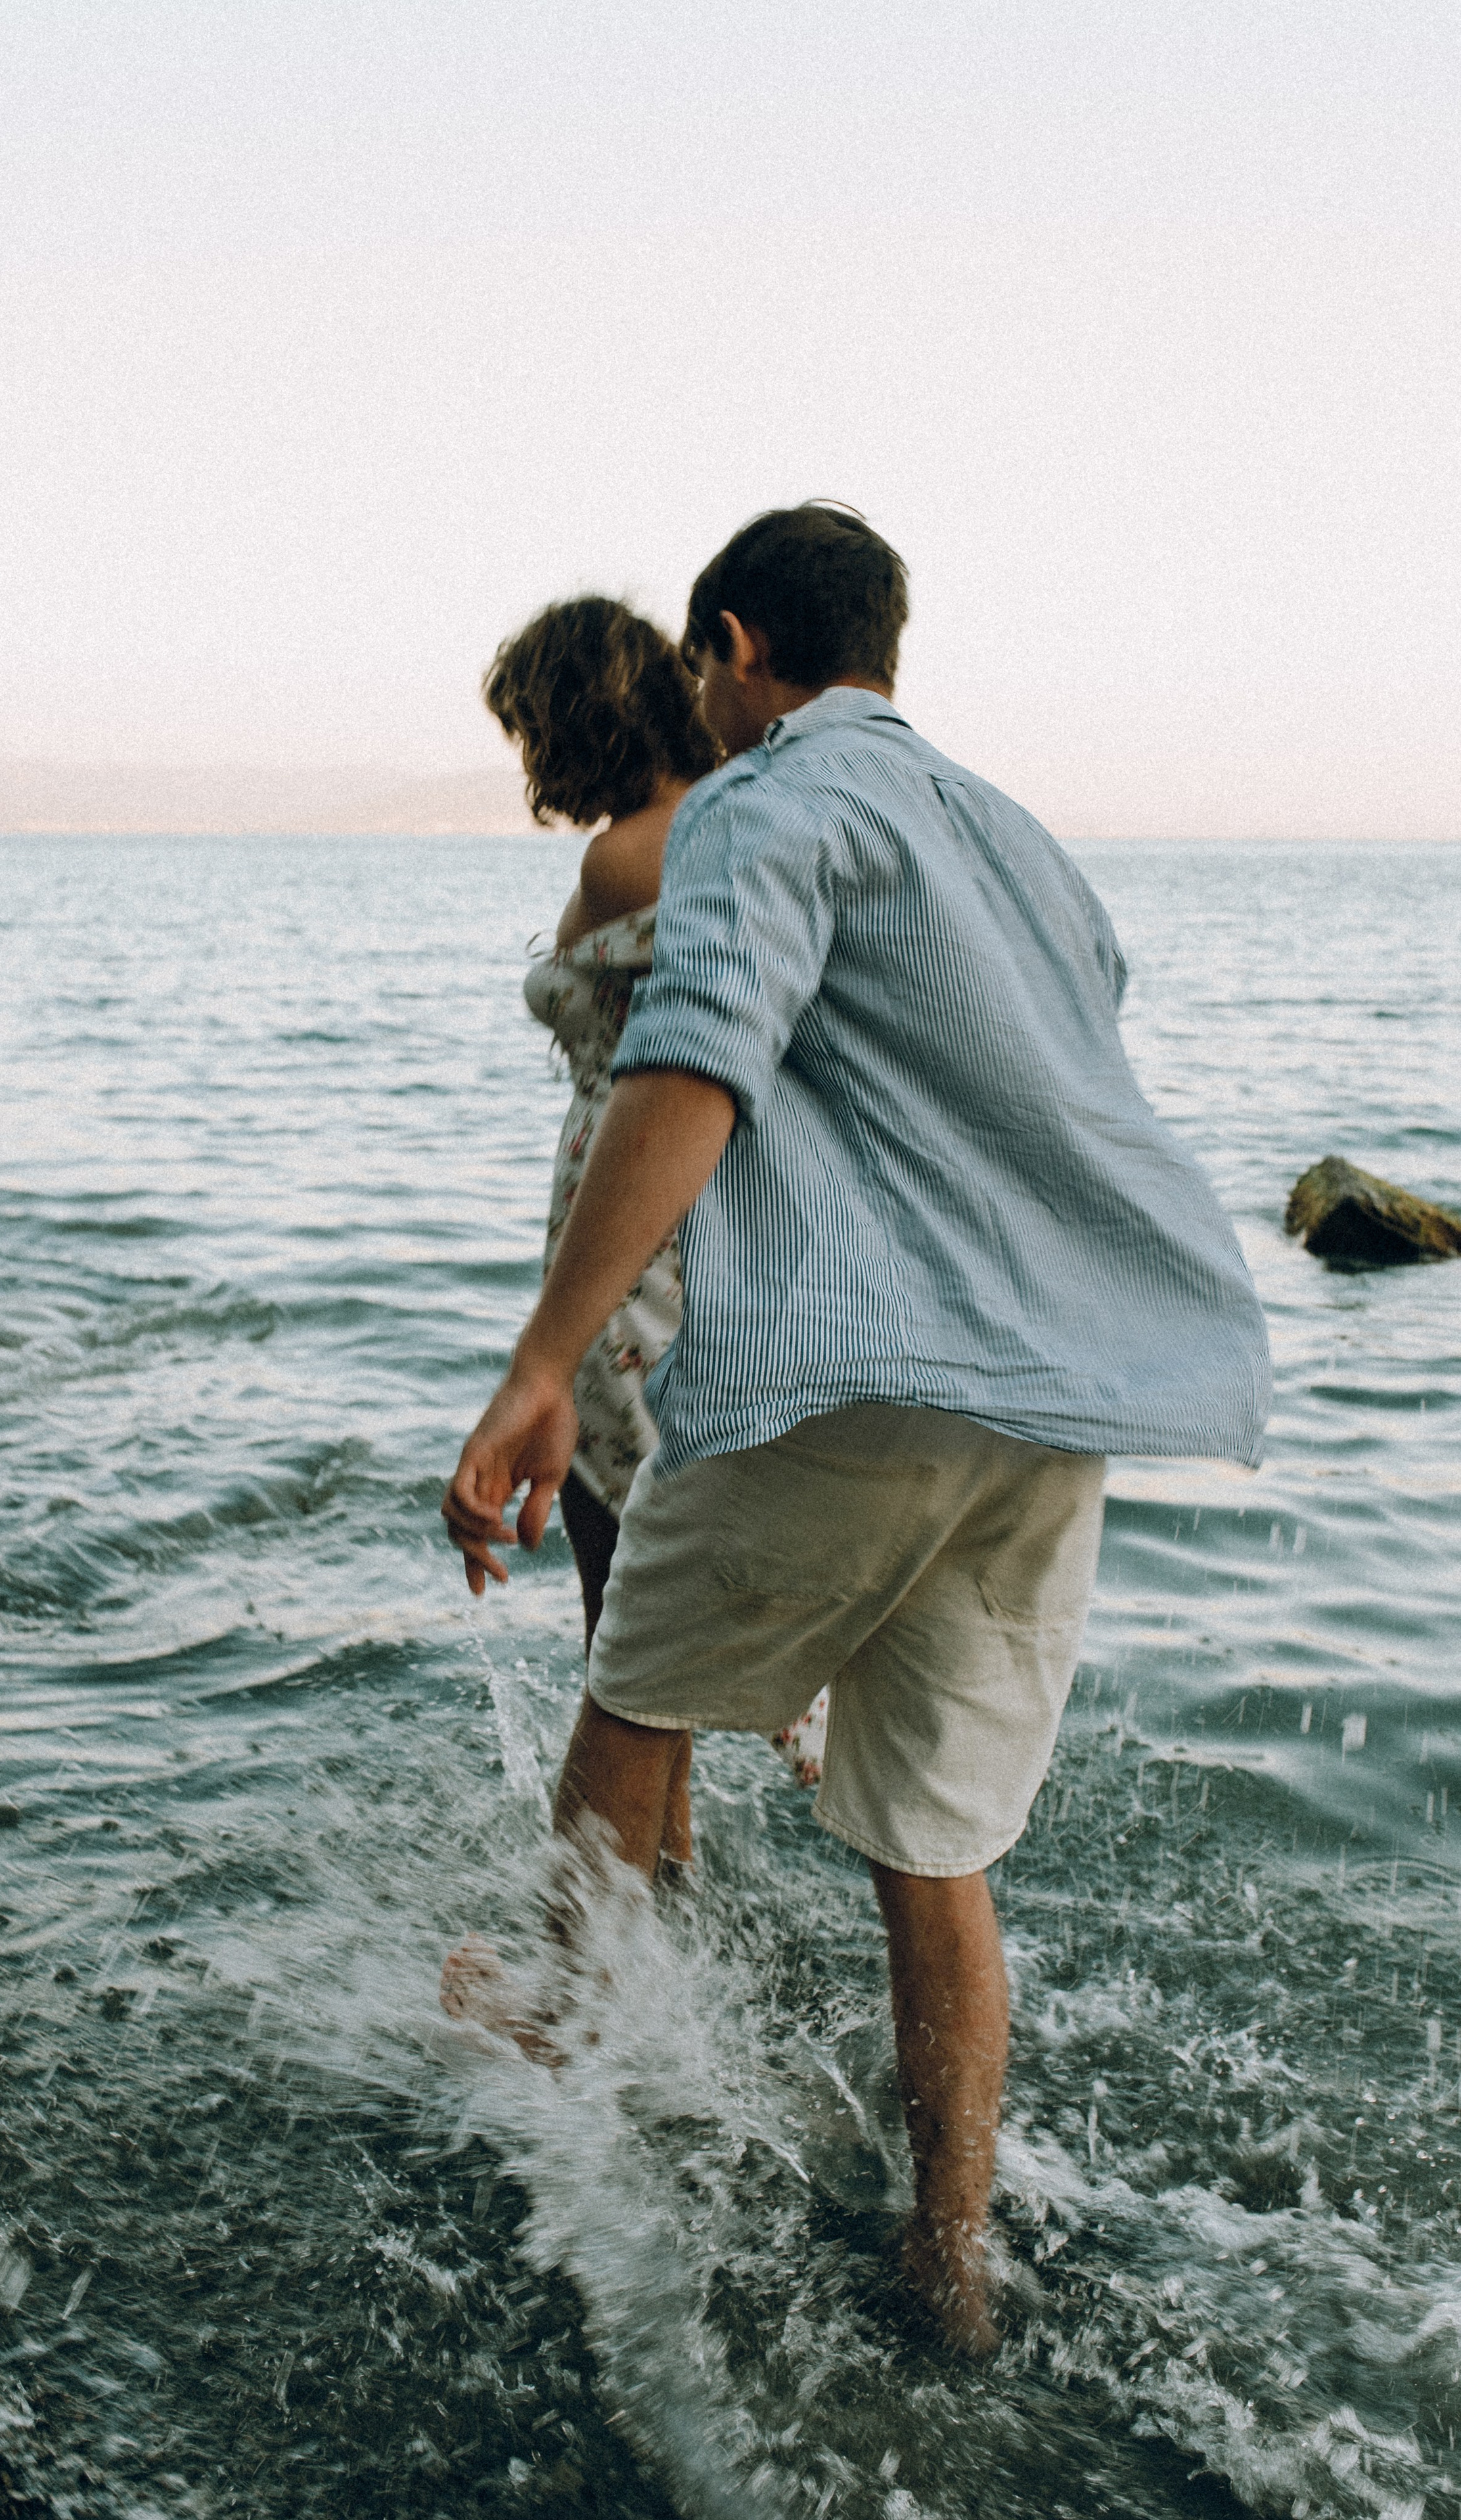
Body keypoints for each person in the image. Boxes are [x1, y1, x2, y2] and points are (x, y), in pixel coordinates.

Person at [442, 505, 1270, 2352]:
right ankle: (954, 2252)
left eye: (708, 672)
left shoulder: (762, 802)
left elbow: (695, 1058)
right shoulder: (1024, 842)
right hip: (1052, 1405)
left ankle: (574, 2041)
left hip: (860, 1375)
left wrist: (546, 1357)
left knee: (633, 1699)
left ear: (734, 649)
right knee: (935, 1848)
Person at [484, 598, 828, 1848]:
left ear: (575, 721)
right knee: (650, 1620)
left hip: (629, 1253)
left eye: (530, 727)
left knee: (620, 1625)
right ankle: (657, 1925)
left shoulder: (630, 855)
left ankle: (603, 1968)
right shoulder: (742, 829)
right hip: (697, 1233)